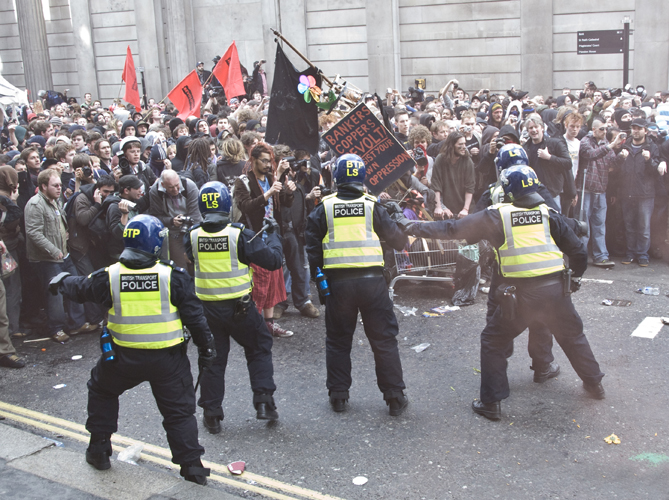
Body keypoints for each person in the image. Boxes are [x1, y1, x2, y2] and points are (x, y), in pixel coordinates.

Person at [408, 165, 605, 420]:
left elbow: (452, 229)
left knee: (494, 341)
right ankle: (594, 384)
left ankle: (491, 403)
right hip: (556, 293)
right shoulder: (548, 214)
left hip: (521, 297)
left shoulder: (496, 215)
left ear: (508, 190)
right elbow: (578, 252)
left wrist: (412, 227)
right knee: (573, 336)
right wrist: (575, 279)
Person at [49, 215, 216, 485]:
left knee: (102, 390)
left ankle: (99, 450)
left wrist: (61, 281)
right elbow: (195, 319)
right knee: (179, 413)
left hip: (122, 358)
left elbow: (81, 288)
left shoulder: (111, 275)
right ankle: (192, 468)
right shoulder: (172, 276)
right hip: (168, 361)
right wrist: (207, 350)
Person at [305, 154, 410, 415]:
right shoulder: (372, 206)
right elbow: (399, 242)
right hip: (372, 284)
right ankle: (394, 397)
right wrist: (395, 219)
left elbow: (313, 253)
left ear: (337, 178)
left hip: (338, 286)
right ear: (362, 177)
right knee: (384, 340)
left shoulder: (324, 208)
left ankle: (339, 395)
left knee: (338, 341)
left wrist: (322, 288)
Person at [186, 182, 282, 433]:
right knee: (259, 346)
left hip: (207, 311)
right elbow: (273, 261)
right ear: (227, 205)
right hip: (240, 309)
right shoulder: (239, 234)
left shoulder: (193, 235)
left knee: (212, 360)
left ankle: (212, 414)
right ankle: (264, 403)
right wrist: (272, 235)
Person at [233, 143, 296, 338]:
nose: (269, 165)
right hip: (254, 235)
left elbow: (285, 203)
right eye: (265, 161)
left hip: (272, 234)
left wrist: (289, 190)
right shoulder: (243, 181)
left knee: (272, 282)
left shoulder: (271, 177)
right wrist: (267, 194)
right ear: (253, 161)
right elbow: (245, 206)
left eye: (271, 161)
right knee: (259, 284)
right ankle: (254, 324)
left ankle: (269, 324)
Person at [24, 169, 93, 343]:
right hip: (47, 258)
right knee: (55, 294)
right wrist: (53, 251)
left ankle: (76, 323)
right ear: (43, 186)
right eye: (55, 185)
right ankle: (56, 328)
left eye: (60, 185)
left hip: (64, 254)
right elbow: (33, 233)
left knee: (73, 286)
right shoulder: (35, 204)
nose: (59, 188)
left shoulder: (55, 200)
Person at [575, 117, 624, 267]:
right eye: (602, 129)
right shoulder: (585, 142)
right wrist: (611, 146)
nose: (605, 132)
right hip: (585, 190)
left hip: (600, 190)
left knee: (599, 225)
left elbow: (613, 163)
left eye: (606, 129)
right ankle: (580, 256)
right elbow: (591, 155)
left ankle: (601, 256)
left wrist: (622, 155)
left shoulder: (605, 143)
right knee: (583, 226)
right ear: (594, 129)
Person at [616, 118, 661, 266]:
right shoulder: (625, 145)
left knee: (644, 227)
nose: (635, 131)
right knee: (629, 226)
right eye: (633, 128)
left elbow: (656, 172)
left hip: (645, 194)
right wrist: (620, 158)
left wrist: (648, 161)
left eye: (639, 128)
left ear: (645, 131)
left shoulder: (652, 147)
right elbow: (616, 170)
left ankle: (642, 254)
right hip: (626, 192)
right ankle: (630, 253)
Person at [149, 170, 202, 272]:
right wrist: (171, 221)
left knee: (196, 263)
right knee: (180, 265)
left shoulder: (189, 186)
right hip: (173, 231)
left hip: (192, 228)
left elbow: (196, 216)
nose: (175, 189)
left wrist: (190, 242)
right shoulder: (155, 191)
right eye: (170, 187)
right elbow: (155, 217)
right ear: (163, 185)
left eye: (177, 185)